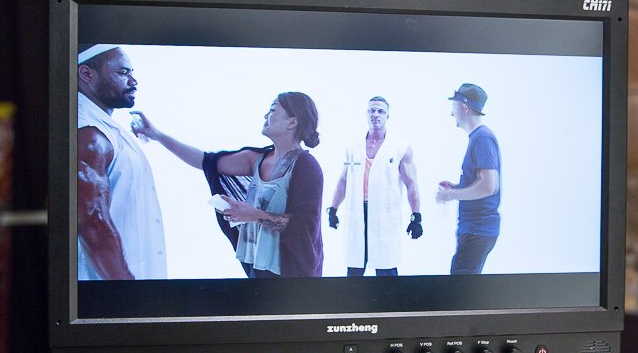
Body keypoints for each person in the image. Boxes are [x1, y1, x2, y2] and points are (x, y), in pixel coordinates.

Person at [133, 92, 323, 278]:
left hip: (293, 277)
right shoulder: (257, 159)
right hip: (258, 270)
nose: (266, 115)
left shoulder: (306, 166)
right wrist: (157, 135)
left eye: (273, 110)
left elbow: (305, 227)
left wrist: (254, 215)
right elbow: (203, 160)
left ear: (292, 122)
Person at [77, 44, 167, 280]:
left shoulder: (103, 126)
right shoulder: (89, 133)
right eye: (122, 72)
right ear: (86, 74)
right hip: (113, 287)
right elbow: (93, 223)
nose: (133, 81)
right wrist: (126, 289)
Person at [327, 96, 422, 276]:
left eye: (381, 111)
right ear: (366, 114)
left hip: (384, 216)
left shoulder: (400, 147)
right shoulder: (353, 147)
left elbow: (411, 184)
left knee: (386, 270)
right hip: (357, 213)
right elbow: (344, 180)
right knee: (355, 270)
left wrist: (416, 216)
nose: (376, 114)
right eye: (372, 110)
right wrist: (333, 209)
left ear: (387, 116)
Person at [436, 83, 501, 274]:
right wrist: (457, 187)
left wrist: (451, 195)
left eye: (453, 106)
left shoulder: (482, 138)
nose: (451, 113)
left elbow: (489, 186)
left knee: (461, 287)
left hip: (477, 230)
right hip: (475, 230)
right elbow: (482, 182)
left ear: (464, 108)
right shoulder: (478, 137)